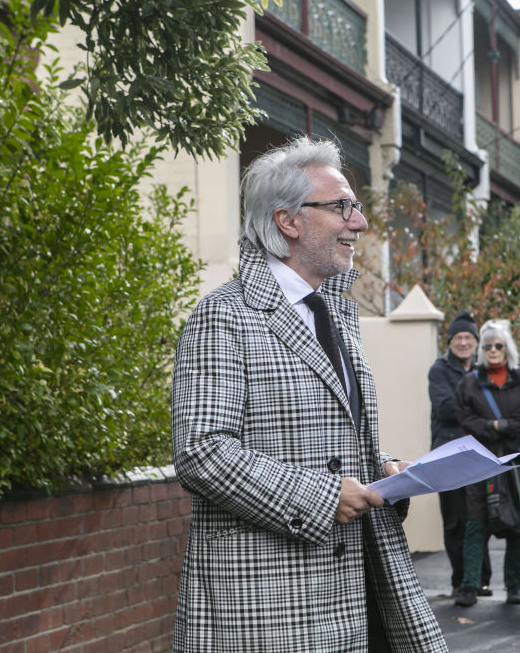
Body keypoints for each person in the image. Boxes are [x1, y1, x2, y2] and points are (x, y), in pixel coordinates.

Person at [171, 137, 447, 652]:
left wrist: (381, 472)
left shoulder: (335, 312)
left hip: (358, 592)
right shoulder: (223, 316)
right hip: (267, 609)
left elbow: (324, 440)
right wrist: (323, 497)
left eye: (356, 208)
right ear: (288, 221)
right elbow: (201, 452)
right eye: (341, 207)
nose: (359, 223)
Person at [453, 320, 520, 607]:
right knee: (476, 522)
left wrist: (498, 425)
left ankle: (514, 586)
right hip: (481, 462)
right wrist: (495, 426)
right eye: (487, 345)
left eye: (498, 345)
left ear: (508, 349)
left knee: (518, 523)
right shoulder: (469, 383)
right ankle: (469, 586)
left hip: (516, 462)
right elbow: (465, 418)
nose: (492, 350)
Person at [427, 310, 492, 598]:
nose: (463, 342)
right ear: (450, 341)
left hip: (480, 453)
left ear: (476, 341)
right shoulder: (439, 370)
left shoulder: (486, 368)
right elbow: (445, 409)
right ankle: (459, 581)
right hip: (448, 454)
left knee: (479, 517)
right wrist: (478, 407)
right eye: (458, 337)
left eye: (468, 337)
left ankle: (480, 579)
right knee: (455, 519)